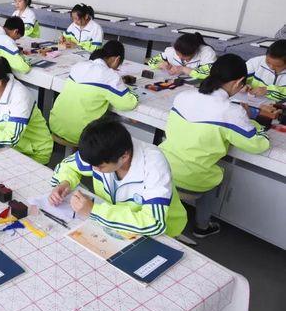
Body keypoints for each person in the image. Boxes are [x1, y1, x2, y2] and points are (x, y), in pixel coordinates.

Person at [160, 54, 270, 238]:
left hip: (162, 166)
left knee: (200, 166)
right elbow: (259, 145)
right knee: (214, 174)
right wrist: (254, 122)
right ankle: (202, 226)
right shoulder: (231, 111)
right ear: (239, 82)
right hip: (190, 180)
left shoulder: (184, 95)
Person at [50, 117, 187, 237]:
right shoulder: (100, 149)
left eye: (100, 167)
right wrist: (64, 182)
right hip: (116, 224)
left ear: (124, 157)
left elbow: (154, 223)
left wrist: (94, 210)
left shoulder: (153, 165)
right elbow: (68, 166)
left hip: (160, 234)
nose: (93, 169)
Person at [49, 41, 138, 145]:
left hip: (55, 125)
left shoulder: (79, 66)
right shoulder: (110, 75)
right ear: (117, 59)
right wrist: (125, 87)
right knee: (116, 122)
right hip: (81, 135)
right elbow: (128, 103)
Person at [147, 32, 216, 80]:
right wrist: (160, 64)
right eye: (178, 54)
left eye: (184, 56)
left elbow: (210, 74)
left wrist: (184, 69)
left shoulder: (207, 53)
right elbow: (151, 61)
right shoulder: (172, 51)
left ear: (195, 52)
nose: (180, 58)